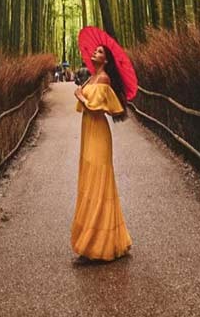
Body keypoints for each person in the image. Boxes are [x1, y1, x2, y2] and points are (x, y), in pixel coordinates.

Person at [70, 44, 132, 263]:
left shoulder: (104, 79)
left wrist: (81, 96)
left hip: (98, 133)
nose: (94, 54)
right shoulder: (92, 77)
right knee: (89, 180)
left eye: (99, 52)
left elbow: (97, 108)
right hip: (88, 130)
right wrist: (82, 91)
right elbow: (86, 106)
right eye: (94, 51)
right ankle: (102, 240)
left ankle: (96, 246)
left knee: (98, 183)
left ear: (105, 60)